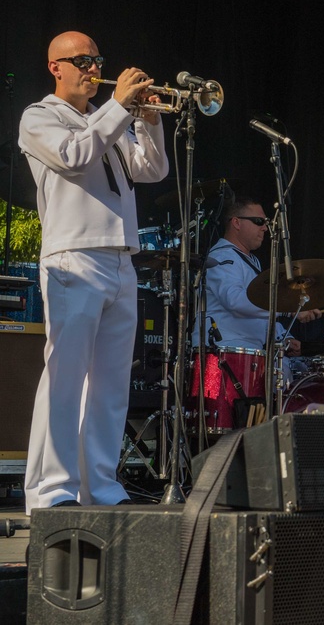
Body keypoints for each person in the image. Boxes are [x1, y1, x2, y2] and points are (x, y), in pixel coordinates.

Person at [18, 31, 170, 512]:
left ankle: (99, 487)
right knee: (65, 377)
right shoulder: (39, 117)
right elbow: (74, 155)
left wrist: (145, 118)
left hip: (122, 258)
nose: (91, 68)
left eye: (96, 59)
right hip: (74, 256)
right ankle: (52, 490)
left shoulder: (111, 120)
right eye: (80, 60)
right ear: (55, 67)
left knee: (108, 385)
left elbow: (152, 169)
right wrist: (120, 107)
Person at [192, 195, 321, 426]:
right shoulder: (222, 257)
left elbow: (259, 313)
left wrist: (285, 336)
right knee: (231, 429)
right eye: (259, 222)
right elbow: (236, 301)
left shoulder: (250, 261)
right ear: (236, 222)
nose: (265, 229)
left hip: (251, 356)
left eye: (266, 223)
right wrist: (289, 310)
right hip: (226, 357)